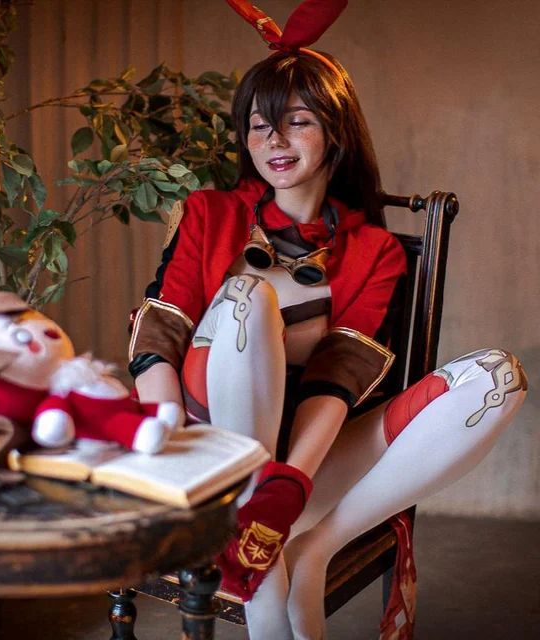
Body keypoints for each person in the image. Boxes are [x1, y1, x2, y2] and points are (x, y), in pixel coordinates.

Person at [128, 1, 527, 638]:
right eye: (259, 127)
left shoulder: (376, 251)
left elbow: (337, 380)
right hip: (204, 453)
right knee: (245, 299)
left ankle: (308, 545)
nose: (273, 142)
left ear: (335, 132)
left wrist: (288, 485)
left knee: (497, 379)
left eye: (297, 122)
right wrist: (166, 436)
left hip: (308, 466)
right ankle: (265, 544)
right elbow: (161, 333)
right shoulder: (209, 214)